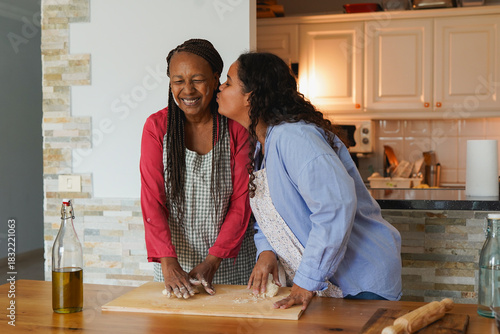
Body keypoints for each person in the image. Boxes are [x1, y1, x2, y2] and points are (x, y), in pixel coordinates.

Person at [216, 51, 402, 311]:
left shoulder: (294, 137)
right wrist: (267, 251)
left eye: (228, 82)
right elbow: (273, 213)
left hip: (361, 283)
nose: (220, 89)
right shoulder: (263, 144)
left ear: (251, 95)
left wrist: (306, 281)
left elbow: (336, 205)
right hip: (330, 285)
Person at [140, 39, 255, 299]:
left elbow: (241, 202)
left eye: (197, 79)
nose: (187, 90)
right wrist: (168, 262)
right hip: (174, 266)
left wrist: (214, 260)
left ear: (215, 79)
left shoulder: (236, 128)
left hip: (230, 261)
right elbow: (152, 200)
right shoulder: (157, 127)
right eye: (178, 81)